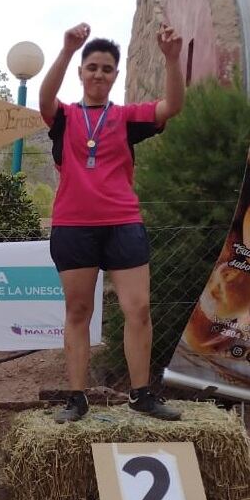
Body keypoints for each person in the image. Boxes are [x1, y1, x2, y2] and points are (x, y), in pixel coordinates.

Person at [38, 23, 185, 423]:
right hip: (73, 226)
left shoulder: (125, 117)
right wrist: (68, 48)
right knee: (78, 311)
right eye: (92, 67)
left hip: (122, 222)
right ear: (81, 72)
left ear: (115, 75)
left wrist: (172, 59)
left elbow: (171, 106)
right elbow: (44, 97)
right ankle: (76, 398)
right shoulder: (65, 117)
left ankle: (140, 395)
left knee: (138, 309)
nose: (99, 74)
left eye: (106, 69)